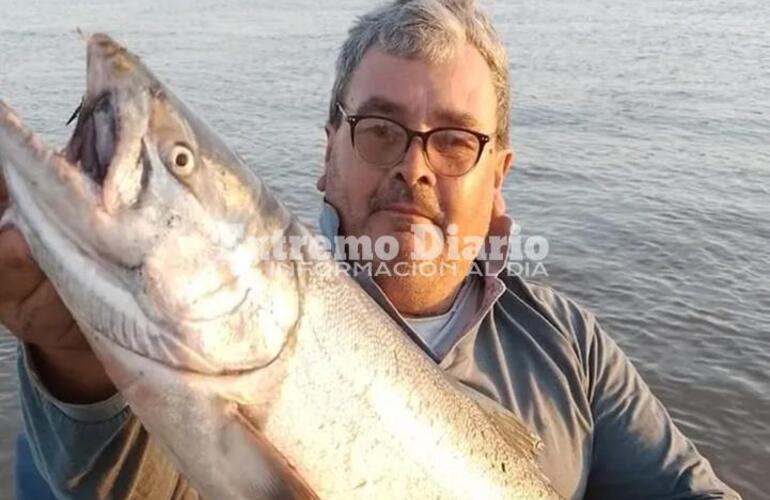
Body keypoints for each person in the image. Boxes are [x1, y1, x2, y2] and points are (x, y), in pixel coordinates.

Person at [0, 1, 740, 498]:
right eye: (379, 129)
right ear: (329, 156)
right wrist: (78, 370)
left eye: (454, 140)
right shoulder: (115, 352)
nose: (413, 167)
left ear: (497, 178)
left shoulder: (572, 349)